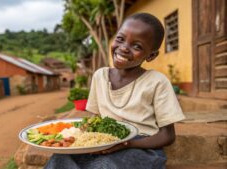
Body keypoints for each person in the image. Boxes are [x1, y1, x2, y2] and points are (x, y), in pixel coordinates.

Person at [44, 12, 185, 169]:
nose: (124, 48)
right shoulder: (100, 76)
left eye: (137, 46)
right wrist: (86, 138)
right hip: (105, 141)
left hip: (141, 147)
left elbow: (168, 135)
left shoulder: (156, 82)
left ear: (151, 55)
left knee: (105, 165)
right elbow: (94, 118)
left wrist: (129, 143)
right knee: (60, 158)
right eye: (120, 38)